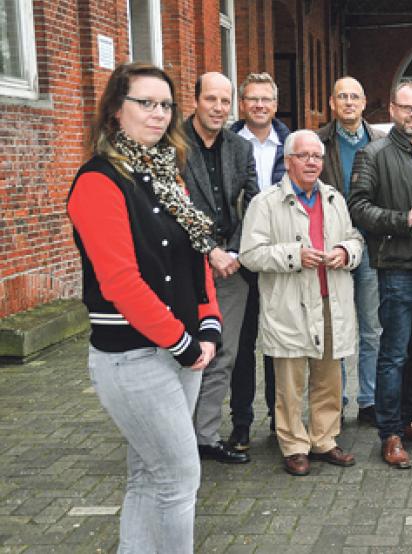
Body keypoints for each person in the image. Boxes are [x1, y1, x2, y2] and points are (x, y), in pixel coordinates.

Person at [67, 62, 220, 553]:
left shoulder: (165, 175)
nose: (158, 114)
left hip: (184, 350)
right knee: (178, 479)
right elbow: (120, 281)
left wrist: (209, 326)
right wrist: (180, 341)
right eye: (145, 103)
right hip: (134, 355)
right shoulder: (98, 181)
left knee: (147, 477)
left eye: (166, 105)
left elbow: (196, 255)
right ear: (116, 110)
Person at [239, 129, 363, 476]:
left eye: (317, 157)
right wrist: (294, 255)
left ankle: (324, 438)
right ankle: (293, 444)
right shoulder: (265, 203)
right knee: (290, 382)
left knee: (329, 377)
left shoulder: (335, 199)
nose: (312, 163)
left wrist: (345, 252)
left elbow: (355, 239)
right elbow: (250, 254)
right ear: (288, 161)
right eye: (304, 156)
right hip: (289, 305)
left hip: (329, 299)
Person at [348, 80, 412, 469]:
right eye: (407, 108)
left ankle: (408, 421)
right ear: (392, 110)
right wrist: (401, 220)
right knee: (392, 352)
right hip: (397, 267)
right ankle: (389, 433)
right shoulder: (372, 154)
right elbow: (357, 208)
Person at [181, 72, 259, 465]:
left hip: (231, 266)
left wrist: (234, 251)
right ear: (195, 100)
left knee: (222, 353)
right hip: (182, 267)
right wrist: (208, 249)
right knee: (180, 353)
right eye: (210, 99)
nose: (218, 108)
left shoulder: (240, 148)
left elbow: (255, 205)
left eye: (225, 101)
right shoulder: (170, 146)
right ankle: (175, 435)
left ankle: (205, 437)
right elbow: (168, 210)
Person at [315, 76, 386, 426]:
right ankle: (337, 399)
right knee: (337, 327)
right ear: (332, 103)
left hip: (371, 246)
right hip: (333, 248)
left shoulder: (379, 142)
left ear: (363, 102)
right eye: (341, 96)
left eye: (354, 97)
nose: (348, 102)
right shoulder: (318, 142)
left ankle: (370, 399)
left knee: (371, 327)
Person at [228, 72, 291, 449]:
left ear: (275, 104)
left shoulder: (293, 143)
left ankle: (278, 419)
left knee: (278, 344)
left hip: (280, 256)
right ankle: (241, 421)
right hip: (240, 255)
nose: (260, 105)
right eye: (253, 99)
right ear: (243, 104)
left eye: (266, 99)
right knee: (241, 343)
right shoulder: (229, 143)